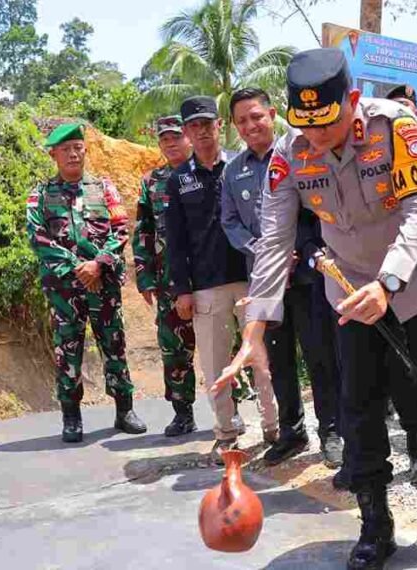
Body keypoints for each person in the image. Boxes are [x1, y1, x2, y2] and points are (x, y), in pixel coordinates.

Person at [216, 48, 417, 568]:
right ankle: (374, 520)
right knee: (358, 406)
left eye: (328, 124)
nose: (316, 137)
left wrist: (388, 283)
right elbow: (274, 240)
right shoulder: (290, 152)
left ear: (354, 101)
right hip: (348, 291)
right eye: (305, 126)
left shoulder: (396, 126)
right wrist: (255, 326)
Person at [220, 87, 344, 469]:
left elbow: (316, 207)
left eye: (256, 116)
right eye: (242, 120)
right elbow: (230, 222)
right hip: (265, 281)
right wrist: (264, 253)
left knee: (320, 354)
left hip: (306, 276)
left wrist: (297, 251)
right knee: (277, 359)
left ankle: (332, 430)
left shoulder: (300, 153)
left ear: (272, 114)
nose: (251, 125)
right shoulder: (232, 170)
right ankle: (291, 431)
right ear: (235, 127)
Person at [164, 96, 278, 464]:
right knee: (215, 364)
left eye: (207, 124)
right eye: (193, 127)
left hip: (250, 278)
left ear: (219, 125)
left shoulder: (241, 165)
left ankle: (274, 428)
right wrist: (181, 289)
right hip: (206, 285)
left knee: (260, 357)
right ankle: (227, 432)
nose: (201, 132)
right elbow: (175, 240)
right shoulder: (179, 181)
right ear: (186, 133)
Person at [26, 123, 147, 442]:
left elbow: (121, 229)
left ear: (85, 150)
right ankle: (71, 417)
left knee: (114, 345)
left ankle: (124, 410)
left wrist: (98, 264)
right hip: (65, 290)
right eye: (65, 149)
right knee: (68, 350)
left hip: (103, 286)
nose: (73, 154)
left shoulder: (104, 188)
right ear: (54, 154)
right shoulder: (40, 194)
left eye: (78, 147)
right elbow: (37, 238)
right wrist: (78, 267)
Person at [382, 83, 417, 486]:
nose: (402, 114)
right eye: (395, 108)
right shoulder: (370, 156)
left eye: (408, 107)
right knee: (402, 365)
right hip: (388, 276)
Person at [133, 116, 199, 437]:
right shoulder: (151, 182)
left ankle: (234, 410)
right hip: (168, 282)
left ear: (188, 137)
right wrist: (144, 276)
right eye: (164, 139)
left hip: (208, 278)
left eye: (175, 137)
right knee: (173, 349)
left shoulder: (206, 171)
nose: (170, 143)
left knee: (222, 345)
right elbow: (143, 230)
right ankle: (182, 412)